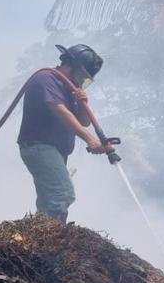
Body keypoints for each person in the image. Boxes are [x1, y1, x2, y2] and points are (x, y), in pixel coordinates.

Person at [17, 44, 115, 222]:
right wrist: (91, 140)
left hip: (55, 150)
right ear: (73, 66)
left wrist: (83, 102)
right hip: (39, 146)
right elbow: (62, 112)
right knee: (62, 193)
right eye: (84, 76)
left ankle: (38, 237)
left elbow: (83, 121)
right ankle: (52, 239)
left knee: (48, 200)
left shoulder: (68, 88)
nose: (84, 81)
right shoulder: (46, 78)